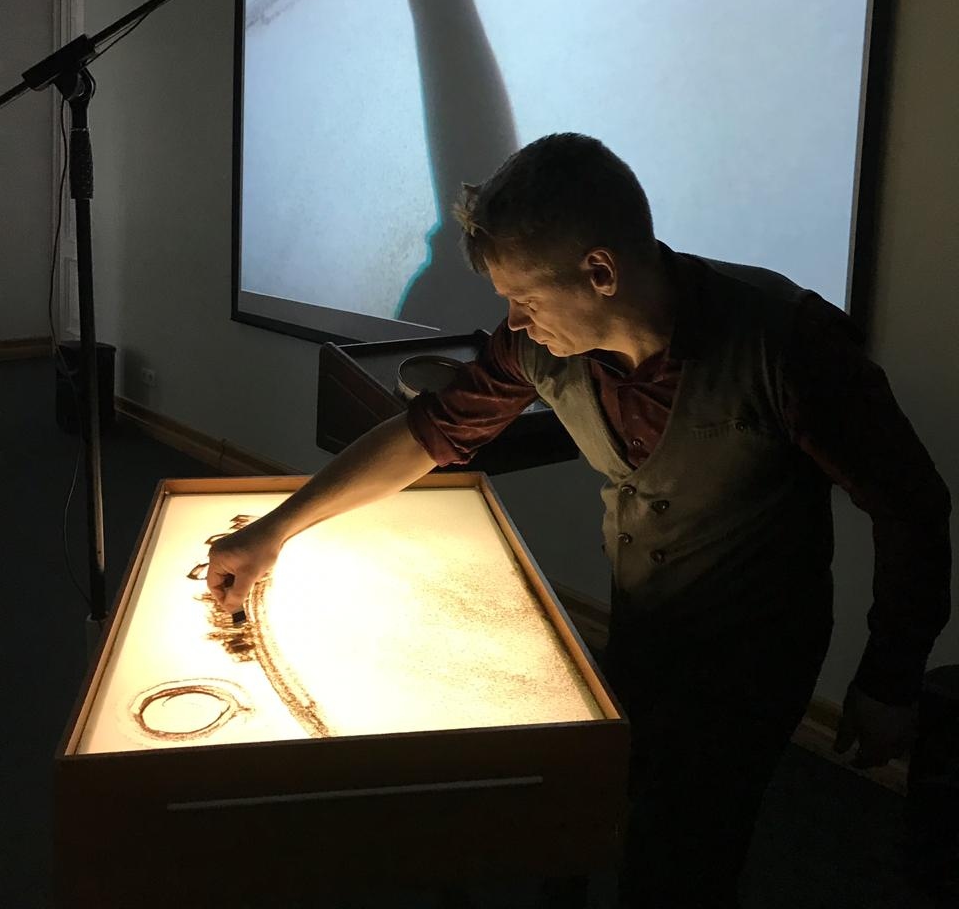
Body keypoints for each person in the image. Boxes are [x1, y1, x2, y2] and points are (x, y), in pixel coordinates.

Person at [207, 133, 952, 909]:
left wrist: (889, 679)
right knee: (588, 802)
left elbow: (912, 507)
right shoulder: (538, 347)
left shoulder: (787, 343)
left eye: (525, 300)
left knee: (687, 852)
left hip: (754, 657)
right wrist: (273, 531)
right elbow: (429, 434)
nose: (515, 321)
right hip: (644, 627)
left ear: (600, 272)